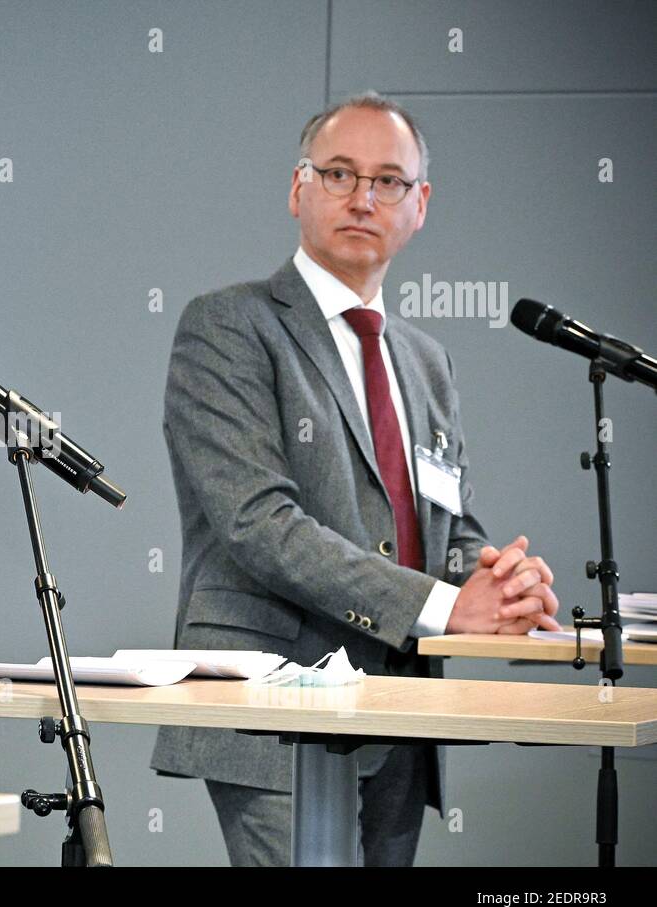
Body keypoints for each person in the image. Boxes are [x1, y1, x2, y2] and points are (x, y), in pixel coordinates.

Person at [149, 93, 560, 865]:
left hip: (404, 706)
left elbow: (444, 524)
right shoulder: (229, 325)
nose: (363, 198)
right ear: (298, 188)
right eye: (339, 174)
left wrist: (498, 582)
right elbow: (257, 522)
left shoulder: (426, 360)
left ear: (420, 205)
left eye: (388, 181)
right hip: (274, 706)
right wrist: (447, 607)